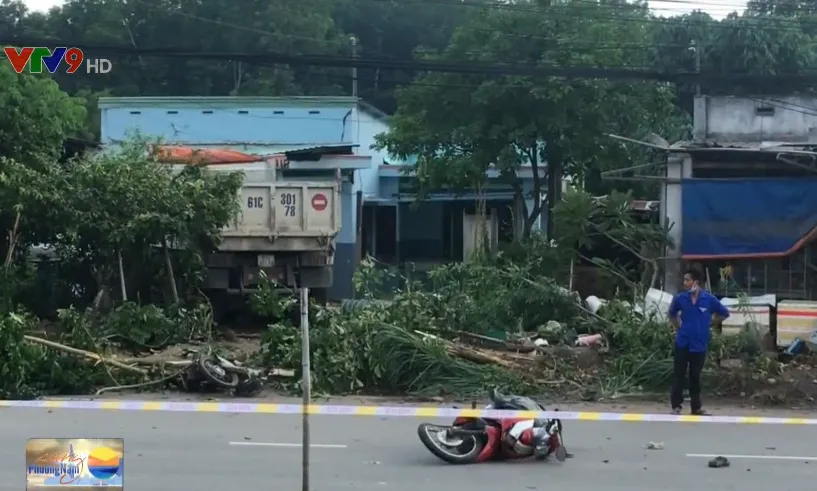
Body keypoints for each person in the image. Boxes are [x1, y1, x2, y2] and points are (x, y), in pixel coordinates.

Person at [668, 265, 730, 415]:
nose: (684, 282)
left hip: (699, 344)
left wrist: (711, 323)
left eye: (687, 280)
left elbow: (724, 313)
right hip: (683, 342)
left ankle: (696, 407)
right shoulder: (681, 299)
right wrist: (677, 328)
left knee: (695, 376)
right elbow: (672, 313)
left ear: (696, 282)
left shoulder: (708, 300)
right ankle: (676, 405)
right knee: (679, 374)